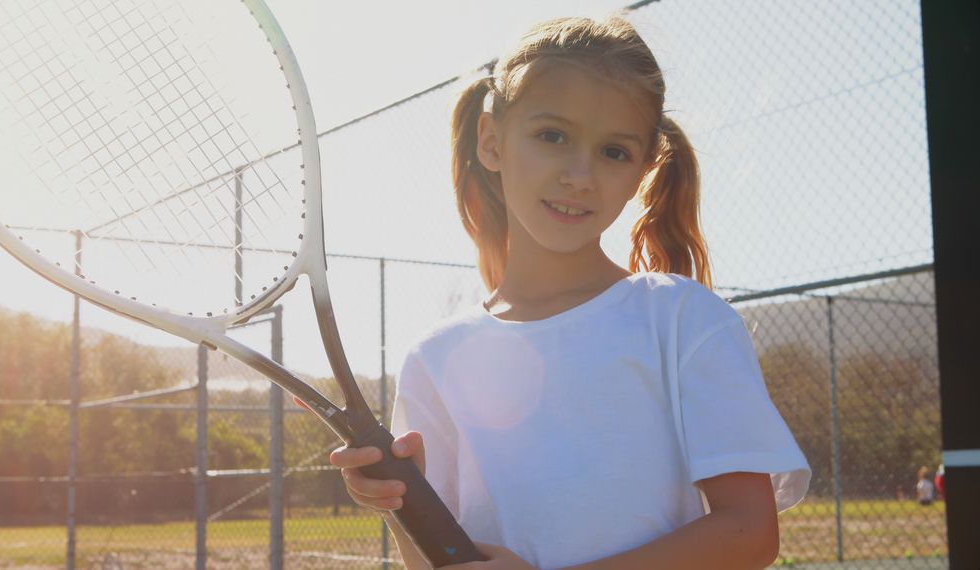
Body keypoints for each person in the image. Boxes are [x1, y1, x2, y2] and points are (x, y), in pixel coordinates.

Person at [327, 13, 810, 569]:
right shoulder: (434, 359)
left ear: (644, 169)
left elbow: (750, 534)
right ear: (491, 142)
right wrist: (397, 505)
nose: (580, 174)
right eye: (552, 135)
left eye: (614, 151)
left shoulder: (684, 319)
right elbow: (437, 561)